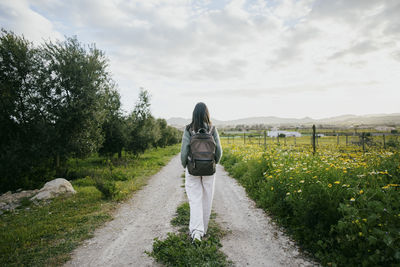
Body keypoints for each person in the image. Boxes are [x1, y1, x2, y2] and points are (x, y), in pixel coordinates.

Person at [180, 102, 222, 242]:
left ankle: (196, 232)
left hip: (193, 168)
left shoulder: (188, 129)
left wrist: (185, 165)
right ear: (207, 113)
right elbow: (219, 152)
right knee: (207, 198)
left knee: (195, 199)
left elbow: (184, 151)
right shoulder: (212, 129)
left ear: (194, 114)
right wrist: (214, 162)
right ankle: (203, 229)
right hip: (209, 169)